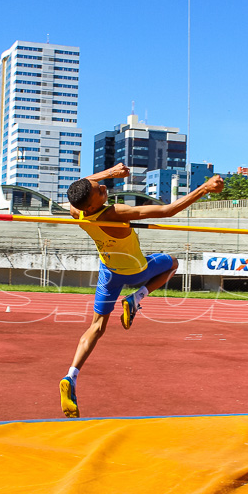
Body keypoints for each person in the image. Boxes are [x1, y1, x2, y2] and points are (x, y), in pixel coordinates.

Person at [59, 163, 225, 417]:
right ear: (92, 204)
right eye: (100, 191)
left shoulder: (76, 210)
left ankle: (71, 377)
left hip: (108, 270)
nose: (103, 187)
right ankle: (136, 298)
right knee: (173, 264)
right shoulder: (114, 213)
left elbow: (82, 184)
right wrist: (205, 188)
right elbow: (167, 210)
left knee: (96, 327)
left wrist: (110, 174)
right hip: (136, 268)